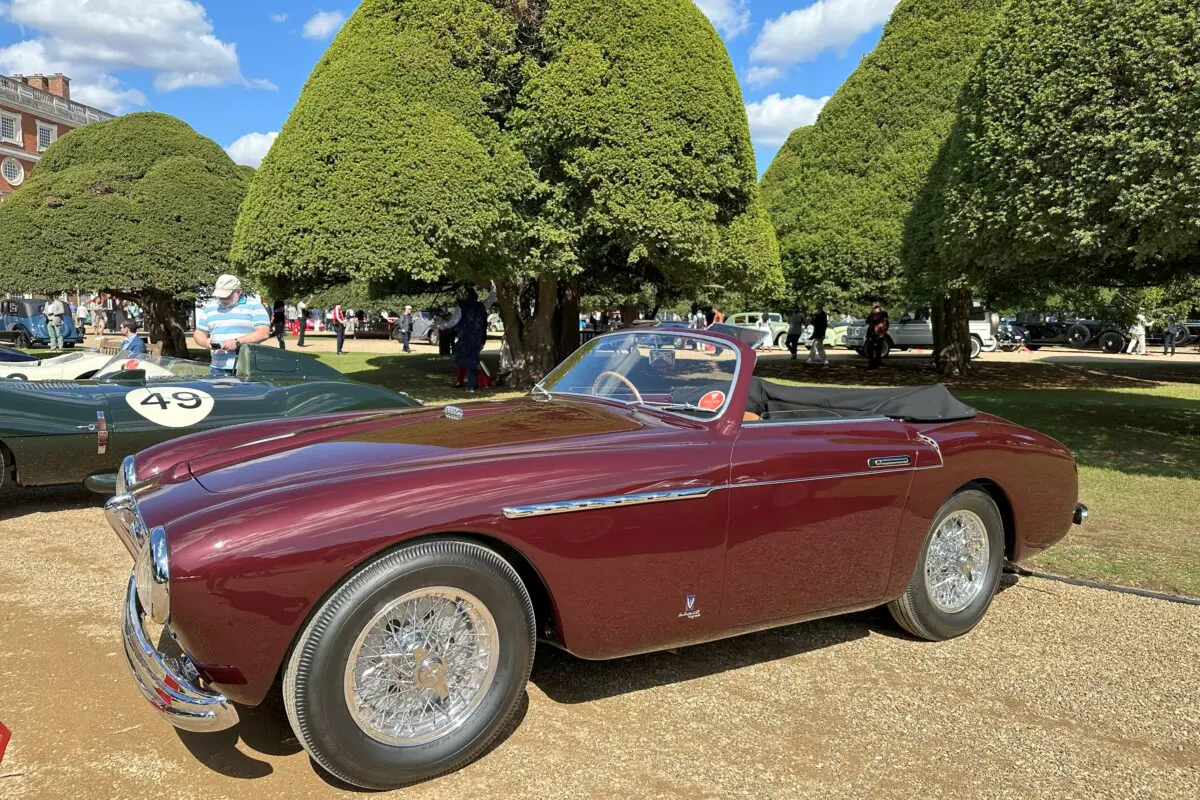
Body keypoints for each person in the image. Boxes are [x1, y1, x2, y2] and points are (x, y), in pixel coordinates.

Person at [193, 274, 271, 375]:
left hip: (247, 368)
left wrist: (237, 342)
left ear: (238, 292)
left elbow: (263, 333)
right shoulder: (210, 308)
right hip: (217, 368)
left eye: (227, 296)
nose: (223, 299)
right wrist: (205, 342)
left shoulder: (255, 306)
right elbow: (199, 333)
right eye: (220, 297)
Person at [441, 286, 493, 390]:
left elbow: (452, 322)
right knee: (472, 358)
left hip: (465, 338)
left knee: (459, 358)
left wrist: (439, 325)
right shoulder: (481, 306)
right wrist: (493, 287)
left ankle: (475, 367)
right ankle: (471, 386)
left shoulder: (461, 307)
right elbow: (491, 299)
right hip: (478, 338)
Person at [864, 298, 889, 370]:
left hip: (879, 332)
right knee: (869, 348)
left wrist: (883, 331)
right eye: (872, 304)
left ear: (877, 305)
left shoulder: (883, 313)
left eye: (873, 304)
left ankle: (876, 364)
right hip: (871, 333)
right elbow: (867, 321)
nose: (872, 305)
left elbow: (886, 323)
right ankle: (872, 362)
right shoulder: (872, 314)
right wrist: (872, 315)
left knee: (878, 349)